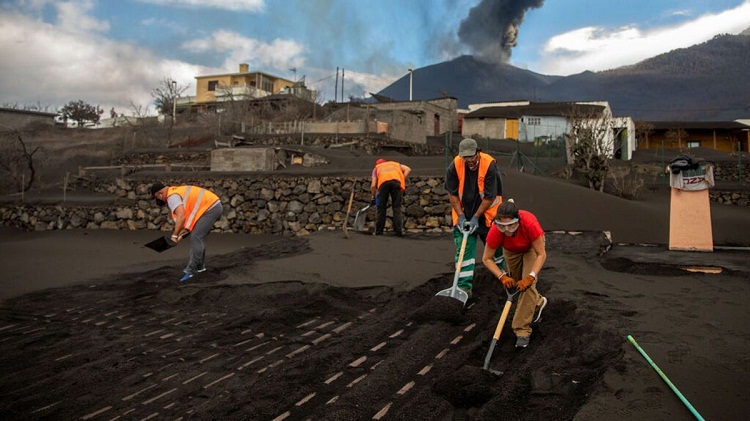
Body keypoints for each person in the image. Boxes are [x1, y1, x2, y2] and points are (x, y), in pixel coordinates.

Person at [482, 199, 548, 349]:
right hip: (511, 251)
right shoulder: (495, 231)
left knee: (527, 285)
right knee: (518, 283)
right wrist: (502, 276)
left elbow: (541, 254)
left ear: (517, 220)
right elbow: (486, 258)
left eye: (511, 225)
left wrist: (531, 276)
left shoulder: (529, 224)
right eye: (502, 226)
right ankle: (538, 302)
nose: (507, 230)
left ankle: (522, 330)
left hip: (532, 248)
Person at [445, 138, 504, 297]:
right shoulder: (454, 166)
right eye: (465, 157)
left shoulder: (489, 165)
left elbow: (490, 196)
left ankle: (502, 279)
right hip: (464, 214)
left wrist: (476, 217)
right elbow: (452, 194)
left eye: (472, 156)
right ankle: (463, 288)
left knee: (494, 249)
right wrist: (462, 217)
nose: (469, 160)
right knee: (465, 251)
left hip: (487, 216)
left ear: (478, 152)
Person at [150, 182, 224, 282]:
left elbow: (181, 217)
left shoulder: (172, 197)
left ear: (160, 194)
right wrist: (180, 235)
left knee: (196, 237)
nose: (157, 200)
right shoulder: (176, 192)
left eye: (156, 197)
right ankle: (200, 268)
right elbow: (188, 224)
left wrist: (175, 235)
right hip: (211, 206)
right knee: (199, 237)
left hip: (210, 208)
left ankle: (191, 272)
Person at [371, 158, 411, 236]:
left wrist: (373, 196)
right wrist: (402, 179)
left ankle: (379, 231)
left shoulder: (376, 168)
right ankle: (398, 231)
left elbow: (373, 185)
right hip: (396, 183)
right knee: (397, 207)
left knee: (381, 208)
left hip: (383, 184)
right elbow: (408, 169)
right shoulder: (395, 164)